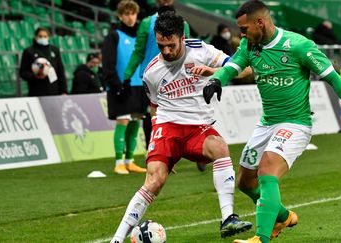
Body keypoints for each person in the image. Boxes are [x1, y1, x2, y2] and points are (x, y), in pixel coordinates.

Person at [202, 1, 341, 243]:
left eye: (244, 29)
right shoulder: (249, 44)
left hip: (295, 124)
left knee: (267, 169)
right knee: (245, 182)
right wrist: (217, 80)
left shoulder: (298, 45)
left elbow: (332, 77)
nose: (241, 34)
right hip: (267, 124)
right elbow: (234, 64)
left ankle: (261, 238)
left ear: (260, 22)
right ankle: (282, 216)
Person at [109, 11, 253, 243]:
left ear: (182, 37)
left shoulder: (202, 51)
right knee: (155, 180)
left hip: (198, 127)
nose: (166, 51)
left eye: (171, 45)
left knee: (220, 148)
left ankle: (228, 219)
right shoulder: (151, 72)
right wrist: (156, 145)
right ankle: (116, 239)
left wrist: (213, 72)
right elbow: (155, 108)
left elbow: (244, 69)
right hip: (168, 128)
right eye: (161, 45)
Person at [123, 0, 208, 172]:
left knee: (190, 111)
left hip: (179, 78)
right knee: (152, 117)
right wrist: (127, 76)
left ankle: (199, 152)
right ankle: (155, 155)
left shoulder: (182, 24)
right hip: (152, 79)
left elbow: (190, 48)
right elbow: (139, 51)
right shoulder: (147, 23)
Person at [102, 0, 147, 175]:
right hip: (120, 86)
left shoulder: (140, 37)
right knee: (123, 121)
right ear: (120, 16)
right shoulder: (113, 36)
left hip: (138, 85)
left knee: (136, 122)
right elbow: (108, 65)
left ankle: (130, 160)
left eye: (132, 14)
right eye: (126, 14)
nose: (130, 17)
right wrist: (116, 85)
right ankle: (118, 162)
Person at [19, 27, 67, 96]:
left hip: (53, 91)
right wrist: (35, 76)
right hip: (36, 91)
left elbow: (60, 71)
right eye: (40, 36)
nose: (43, 38)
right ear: (35, 37)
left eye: (45, 36)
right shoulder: (29, 51)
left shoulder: (55, 50)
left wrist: (63, 91)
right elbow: (23, 72)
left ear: (49, 37)